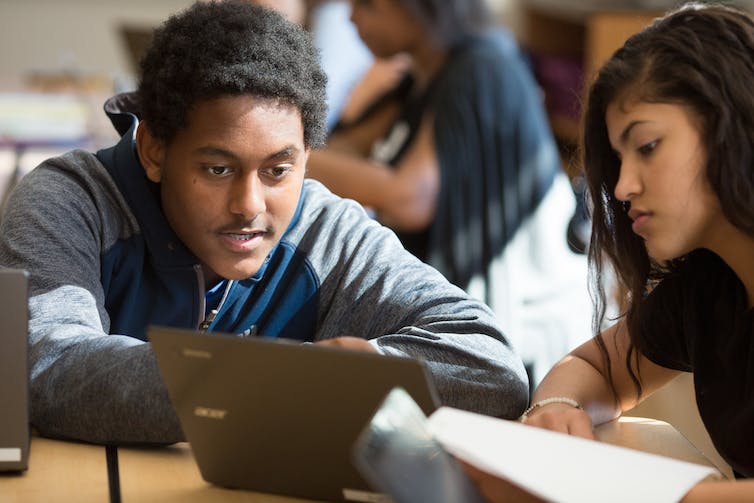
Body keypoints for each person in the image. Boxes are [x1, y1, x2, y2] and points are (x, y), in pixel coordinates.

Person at [0, 0, 529, 445]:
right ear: (154, 149)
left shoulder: (324, 232)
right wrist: (283, 379)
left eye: (279, 170)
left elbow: (491, 368)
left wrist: (358, 364)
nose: (249, 204)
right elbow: (45, 367)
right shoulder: (70, 203)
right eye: (217, 168)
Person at [466, 3, 754, 501]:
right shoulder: (710, 287)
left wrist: (634, 492)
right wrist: (556, 407)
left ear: (730, 121)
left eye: (646, 146)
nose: (622, 187)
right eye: (618, 159)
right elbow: (596, 367)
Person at [306, 0, 591, 385]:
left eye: (367, 5)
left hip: (513, 329)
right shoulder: (419, 77)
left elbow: (410, 199)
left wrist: (286, 152)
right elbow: (343, 147)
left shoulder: (480, 67)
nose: (352, 17)